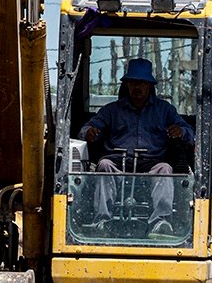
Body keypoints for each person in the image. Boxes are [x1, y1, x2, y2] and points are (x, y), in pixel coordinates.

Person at [79, 58, 193, 235]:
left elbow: (190, 132)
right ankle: (102, 221)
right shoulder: (112, 110)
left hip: (152, 164)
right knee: (104, 165)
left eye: (142, 83)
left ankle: (160, 223)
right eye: (133, 82)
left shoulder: (165, 110)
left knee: (165, 168)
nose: (137, 87)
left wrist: (181, 131)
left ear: (149, 86)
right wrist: (89, 132)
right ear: (127, 85)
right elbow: (84, 130)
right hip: (118, 164)